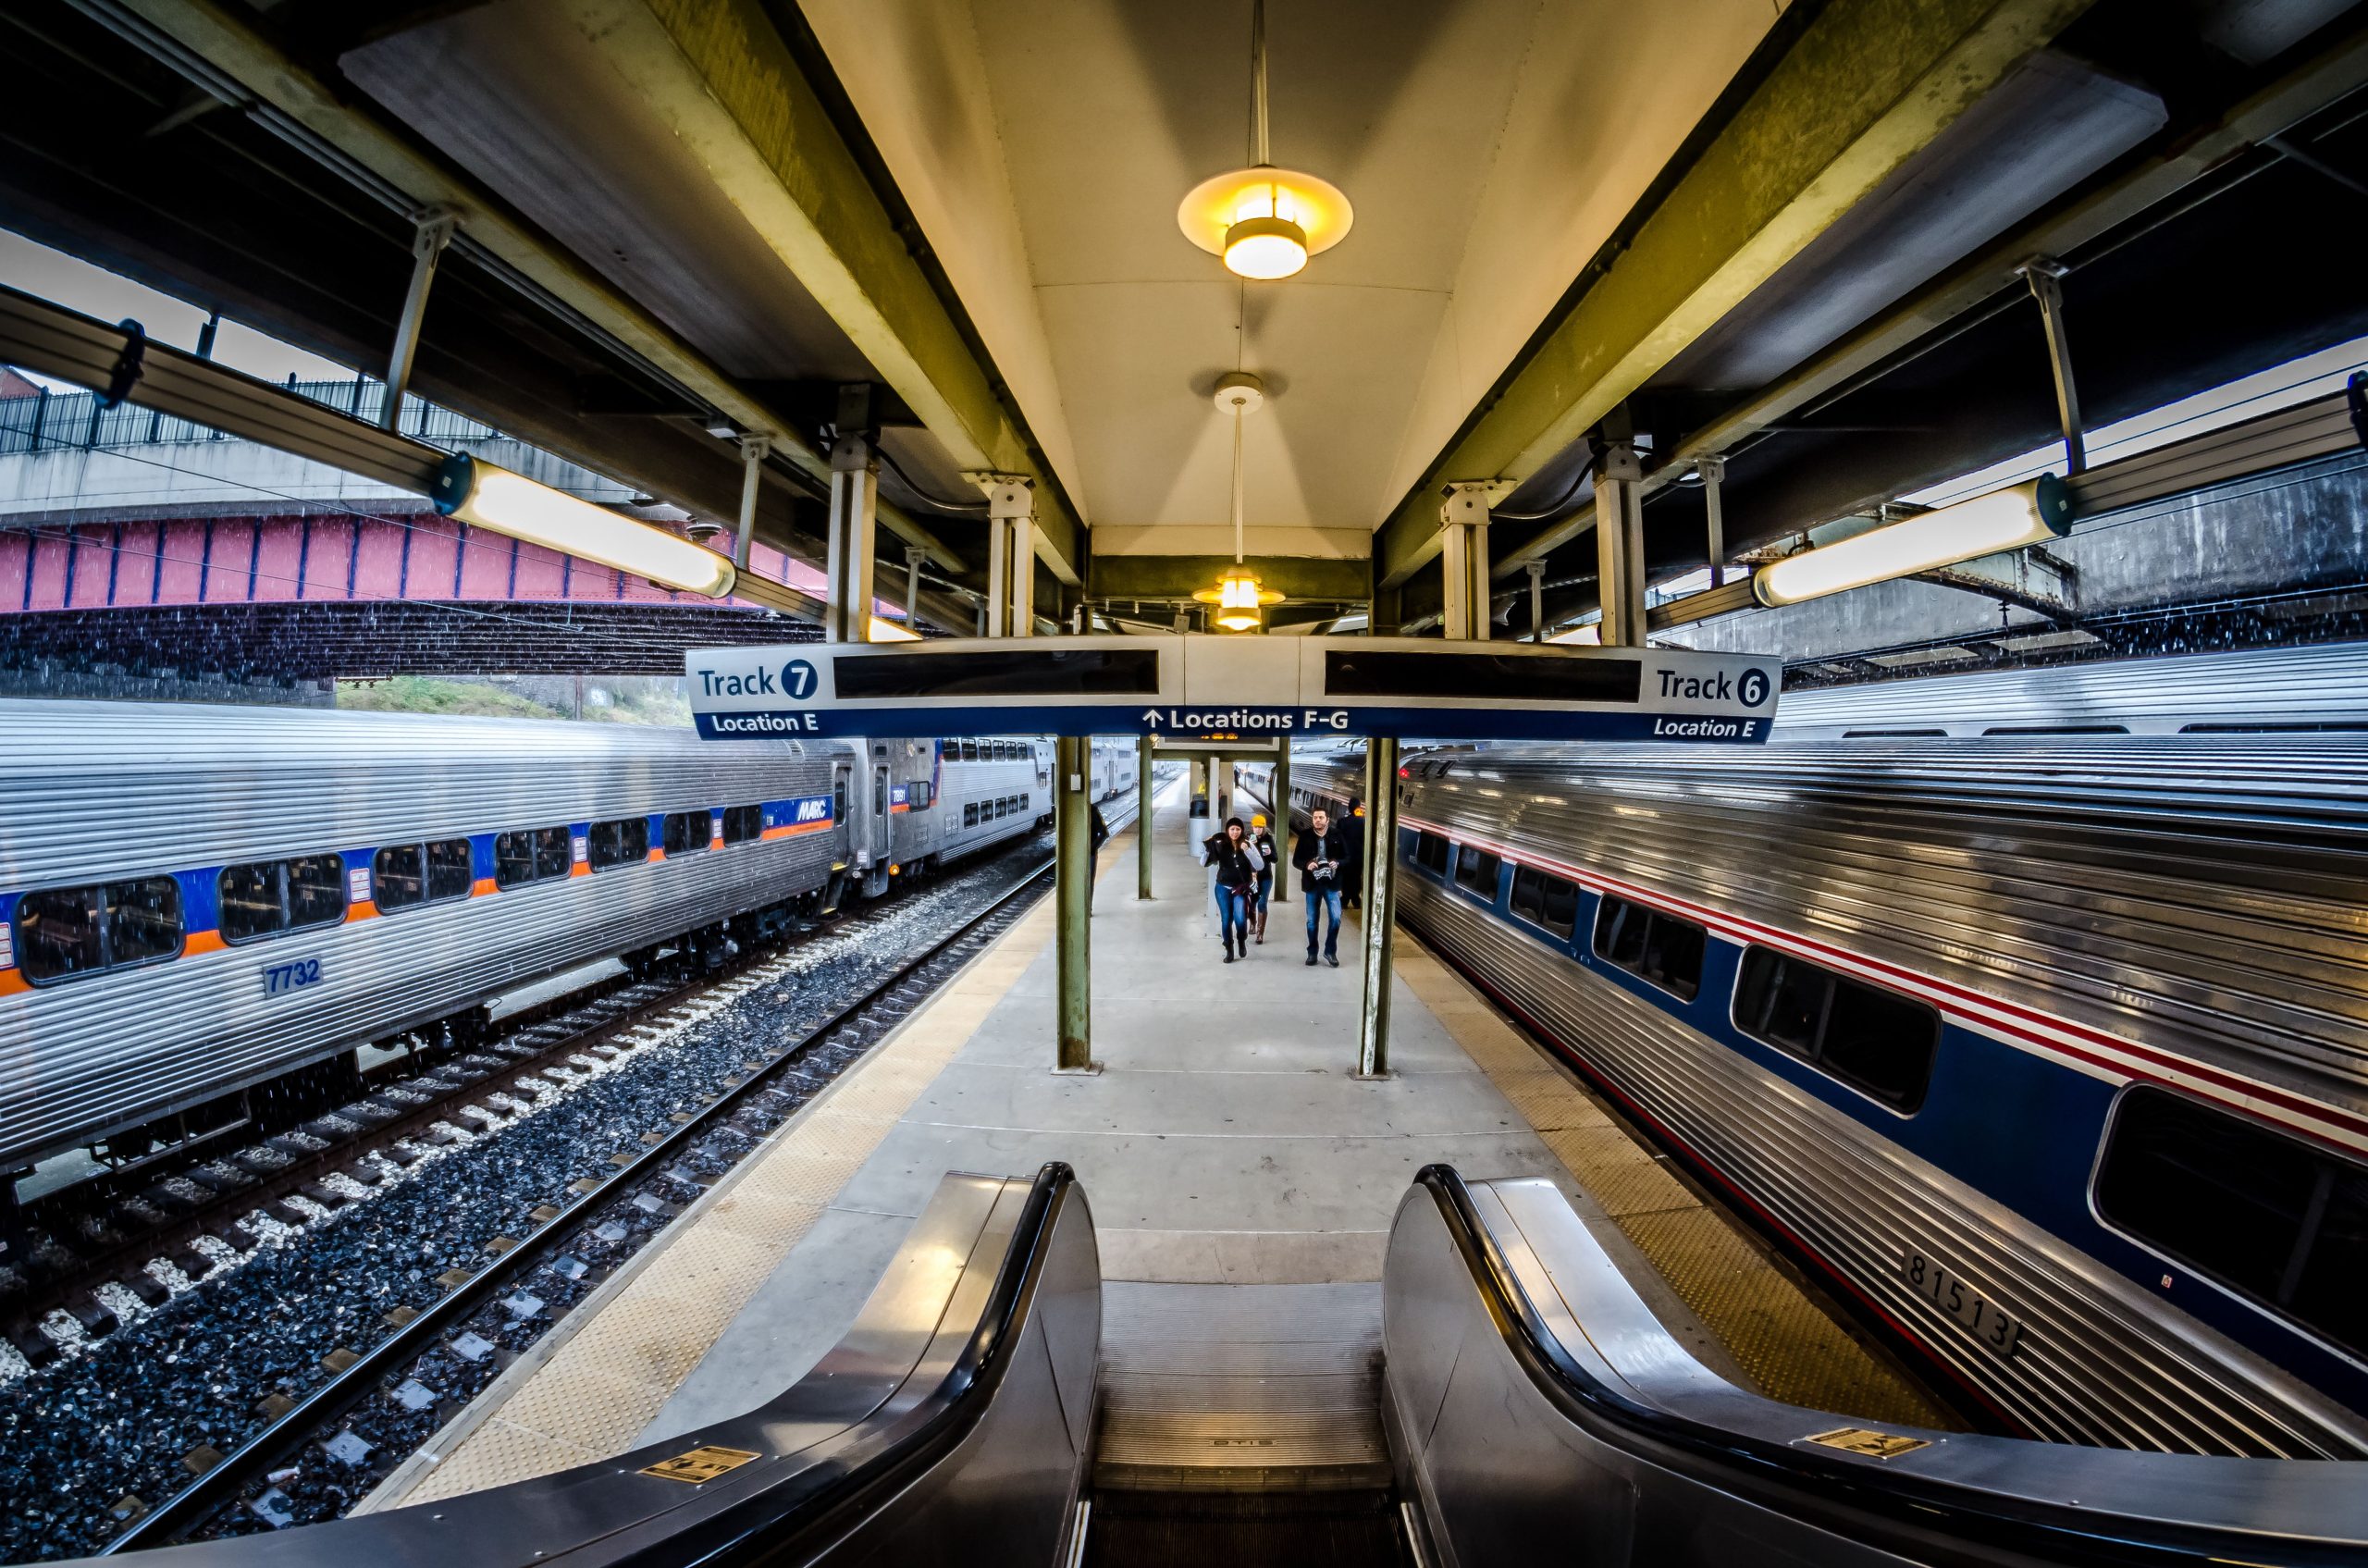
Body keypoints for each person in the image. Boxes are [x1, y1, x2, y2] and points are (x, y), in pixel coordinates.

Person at [1291, 805, 1352, 968]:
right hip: (1312, 885)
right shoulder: (1305, 836)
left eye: (1320, 818)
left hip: (1332, 885)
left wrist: (1337, 862)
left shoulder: (1337, 835)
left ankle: (1330, 951)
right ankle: (1312, 952)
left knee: (1336, 919)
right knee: (1312, 921)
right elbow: (1296, 860)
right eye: (1315, 818)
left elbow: (1347, 858)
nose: (1317, 820)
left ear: (1327, 820)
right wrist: (1307, 864)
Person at [1200, 815, 1263, 962]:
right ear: (1227, 830)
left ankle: (1241, 940)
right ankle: (1229, 948)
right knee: (1226, 919)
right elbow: (1204, 863)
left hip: (1240, 889)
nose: (1235, 832)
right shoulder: (1221, 844)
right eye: (1232, 829)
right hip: (1223, 887)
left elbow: (1260, 865)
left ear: (1242, 830)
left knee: (1241, 919)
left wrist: (1248, 851)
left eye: (1238, 829)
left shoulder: (1248, 844)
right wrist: (1208, 848)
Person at [1247, 813, 1277, 945]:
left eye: (1260, 827)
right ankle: (1252, 924)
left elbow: (1275, 859)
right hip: (1252, 877)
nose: (1258, 829)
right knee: (1252, 902)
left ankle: (1260, 933)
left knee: (1262, 903)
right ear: (1252, 827)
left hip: (1266, 877)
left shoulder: (1268, 839)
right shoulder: (1248, 838)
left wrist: (1269, 854)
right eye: (1255, 827)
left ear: (1264, 828)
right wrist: (1250, 847)